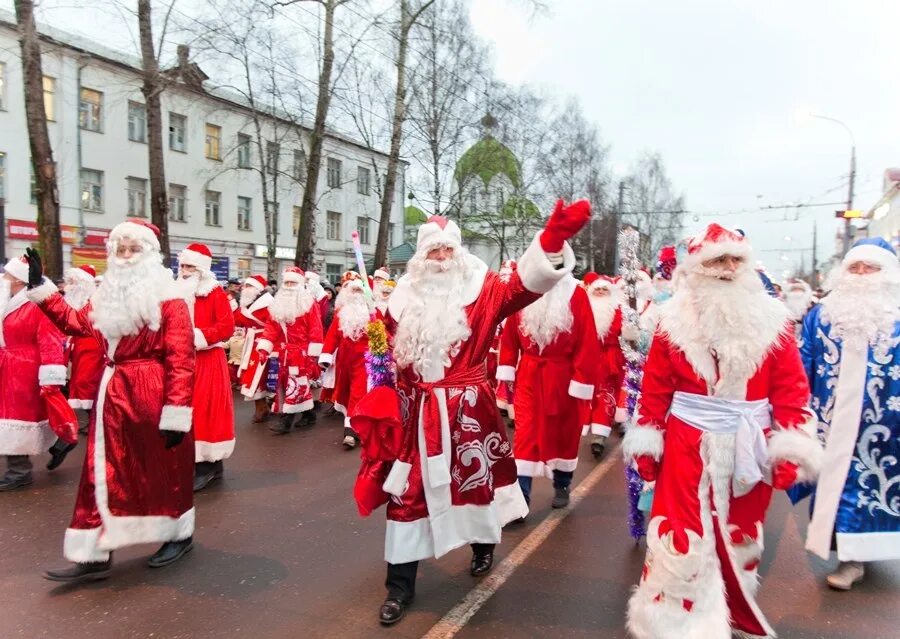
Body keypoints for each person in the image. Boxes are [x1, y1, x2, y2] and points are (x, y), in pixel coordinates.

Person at [350, 201, 591, 625]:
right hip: (417, 414)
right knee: (407, 497)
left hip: (469, 412)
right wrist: (376, 338)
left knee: (476, 486)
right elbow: (384, 352)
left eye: (447, 251)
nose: (441, 260)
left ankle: (482, 546)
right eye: (433, 252)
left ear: (458, 253)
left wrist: (551, 243)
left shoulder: (485, 289)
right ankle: (399, 587)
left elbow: (525, 286)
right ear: (421, 258)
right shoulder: (401, 298)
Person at [623, 223, 822, 639]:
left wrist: (789, 446)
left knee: (740, 531)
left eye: (736, 259)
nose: (729, 268)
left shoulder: (773, 321)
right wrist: (647, 437)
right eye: (717, 260)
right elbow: (656, 387)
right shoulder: (670, 322)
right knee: (680, 531)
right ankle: (673, 622)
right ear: (697, 268)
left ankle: (728, 612)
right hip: (685, 443)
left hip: (747, 442)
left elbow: (791, 389)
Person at [26, 219, 195, 582]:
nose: (127, 255)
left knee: (161, 470)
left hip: (153, 392)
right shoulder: (106, 295)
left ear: (149, 254)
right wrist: (41, 289)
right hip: (112, 392)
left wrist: (176, 412)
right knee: (99, 470)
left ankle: (178, 534)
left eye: (135, 249)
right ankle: (93, 552)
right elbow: (75, 323)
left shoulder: (172, 298)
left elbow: (181, 358)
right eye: (121, 249)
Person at [798, 237, 900, 590]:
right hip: (833, 424)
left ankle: (862, 553)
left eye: (869, 269)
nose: (859, 276)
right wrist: (799, 412)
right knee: (840, 489)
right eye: (853, 268)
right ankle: (850, 558)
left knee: (876, 490)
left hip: (887, 427)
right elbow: (803, 365)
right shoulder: (821, 317)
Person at [497, 270, 599, 509]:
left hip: (564, 378)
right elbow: (510, 335)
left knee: (565, 434)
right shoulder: (524, 293)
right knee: (525, 435)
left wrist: (581, 380)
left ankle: (562, 483)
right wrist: (507, 367)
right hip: (530, 376)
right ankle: (521, 496)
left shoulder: (577, 294)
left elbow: (587, 341)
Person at [0, 256, 69, 490]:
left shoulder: (36, 305)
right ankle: (60, 442)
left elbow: (51, 339)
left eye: (7, 275)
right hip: (9, 365)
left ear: (19, 280)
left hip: (26, 367)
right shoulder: (6, 301)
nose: (3, 278)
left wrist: (51, 376)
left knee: (17, 419)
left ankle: (19, 471)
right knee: (21, 417)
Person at [175, 244, 236, 492]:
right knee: (186, 410)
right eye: (183, 266)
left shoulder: (214, 293)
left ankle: (206, 466)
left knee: (205, 411)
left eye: (191, 266)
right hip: (181, 361)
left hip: (208, 360)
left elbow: (227, 326)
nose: (186, 271)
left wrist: (197, 336)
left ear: (202, 269)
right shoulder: (174, 292)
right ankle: (208, 463)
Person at [256, 267, 323, 435]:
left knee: (295, 384)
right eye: (286, 282)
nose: (289, 286)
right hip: (284, 352)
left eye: (293, 282)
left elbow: (316, 329)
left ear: (300, 284)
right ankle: (309, 414)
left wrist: (313, 355)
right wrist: (265, 347)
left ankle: (286, 420)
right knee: (289, 384)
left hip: (301, 352)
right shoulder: (277, 305)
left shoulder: (309, 303)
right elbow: (272, 327)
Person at [320, 277, 370, 449]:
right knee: (347, 393)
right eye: (353, 291)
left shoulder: (371, 312)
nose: (356, 294)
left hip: (364, 360)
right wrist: (326, 354)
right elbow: (333, 335)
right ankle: (357, 423)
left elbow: (384, 334)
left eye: (359, 291)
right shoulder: (341, 313)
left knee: (358, 391)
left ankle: (350, 431)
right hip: (344, 361)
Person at [581, 272, 625, 459]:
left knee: (605, 397)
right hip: (587, 360)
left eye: (604, 289)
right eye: (596, 289)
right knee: (586, 397)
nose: (599, 292)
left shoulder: (619, 311)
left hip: (609, 360)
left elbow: (624, 334)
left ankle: (599, 436)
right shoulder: (583, 309)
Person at [61, 265, 104, 416]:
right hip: (77, 348)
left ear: (83, 284)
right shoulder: (73, 302)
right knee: (79, 385)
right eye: (69, 282)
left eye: (73, 282)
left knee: (86, 384)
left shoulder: (91, 302)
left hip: (90, 348)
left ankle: (95, 419)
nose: (69, 286)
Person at [234, 274, 275, 422]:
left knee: (265, 375)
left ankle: (267, 405)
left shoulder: (269, 303)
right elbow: (237, 320)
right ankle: (261, 405)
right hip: (250, 343)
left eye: (249, 286)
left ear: (257, 289)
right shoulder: (245, 303)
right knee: (251, 374)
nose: (244, 288)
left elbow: (274, 324)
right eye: (245, 285)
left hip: (265, 342)